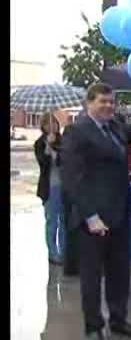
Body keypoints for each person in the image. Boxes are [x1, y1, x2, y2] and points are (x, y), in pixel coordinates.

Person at [61, 83, 131, 340]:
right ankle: (93, 327)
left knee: (119, 272)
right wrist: (90, 216)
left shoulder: (115, 127)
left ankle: (119, 320)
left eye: (111, 102)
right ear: (88, 103)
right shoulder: (77, 131)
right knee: (91, 277)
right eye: (103, 101)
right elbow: (72, 179)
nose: (109, 106)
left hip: (120, 213)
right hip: (94, 220)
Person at [34, 112, 65, 265]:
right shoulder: (39, 143)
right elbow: (43, 164)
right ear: (43, 126)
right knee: (52, 221)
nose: (52, 125)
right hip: (50, 187)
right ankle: (53, 253)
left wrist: (56, 149)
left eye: (54, 122)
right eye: (48, 123)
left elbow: (66, 160)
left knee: (64, 220)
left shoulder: (63, 140)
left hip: (65, 186)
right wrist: (48, 148)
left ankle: (64, 251)